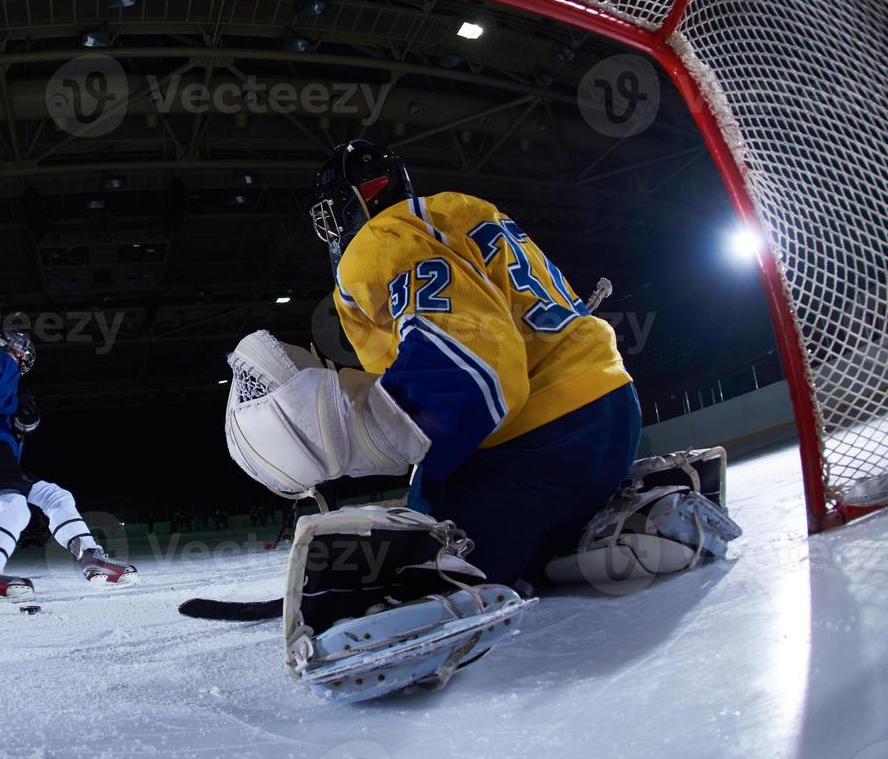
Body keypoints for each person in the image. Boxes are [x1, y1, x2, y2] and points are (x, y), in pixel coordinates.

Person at [226, 139, 641, 590]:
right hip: (611, 409)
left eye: (327, 218)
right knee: (436, 501)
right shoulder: (465, 212)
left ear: (349, 205)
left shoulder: (381, 238)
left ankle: (493, 565)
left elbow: (474, 363)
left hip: (540, 440)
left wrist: (367, 433)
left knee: (414, 571)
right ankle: (596, 536)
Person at [0, 321, 138, 600]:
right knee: (14, 506)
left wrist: (19, 424)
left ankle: (90, 555)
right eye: (18, 342)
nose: (22, 349)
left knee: (55, 496)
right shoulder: (1, 360)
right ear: (8, 343)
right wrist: (14, 407)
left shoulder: (4, 372)